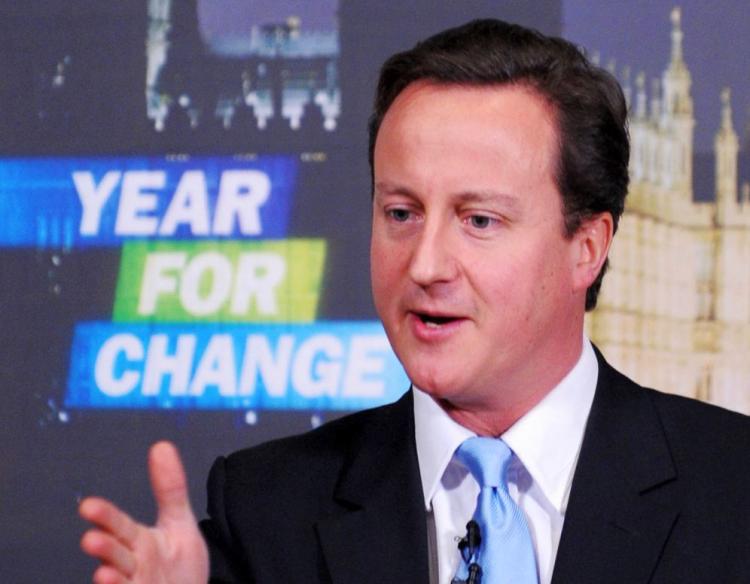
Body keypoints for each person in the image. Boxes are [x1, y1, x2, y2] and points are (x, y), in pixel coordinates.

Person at [79, 18, 750, 584]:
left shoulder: (732, 491)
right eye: (401, 213)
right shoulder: (263, 517)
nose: (424, 265)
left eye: (479, 220)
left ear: (588, 246)